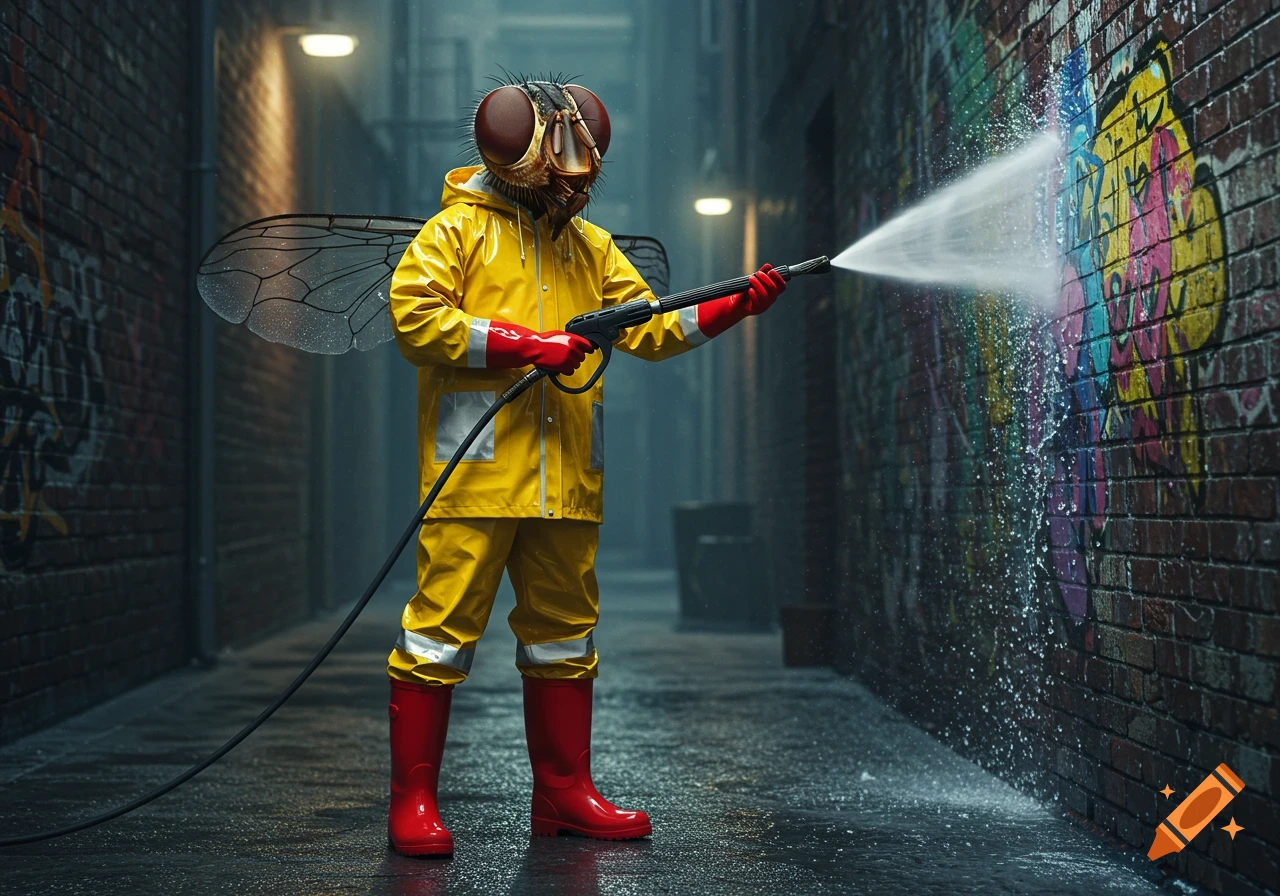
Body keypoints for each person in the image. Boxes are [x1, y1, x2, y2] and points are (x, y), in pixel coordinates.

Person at [385, 77, 786, 856]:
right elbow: (416, 320)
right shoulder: (454, 233)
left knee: (565, 636)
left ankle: (565, 796)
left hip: (566, 481)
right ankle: (414, 803)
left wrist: (735, 304)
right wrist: (525, 344)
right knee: (438, 635)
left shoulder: (591, 248)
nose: (570, 170)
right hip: (474, 475)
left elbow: (653, 330)